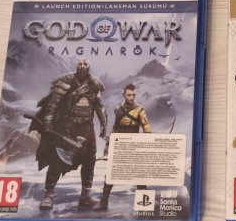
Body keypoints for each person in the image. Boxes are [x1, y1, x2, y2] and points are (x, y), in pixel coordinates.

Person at [30, 58, 107, 210]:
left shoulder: (95, 84)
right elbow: (53, 104)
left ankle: (85, 196)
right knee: (57, 160)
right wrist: (48, 122)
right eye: (80, 64)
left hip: (87, 127)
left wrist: (104, 123)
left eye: (85, 64)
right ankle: (48, 195)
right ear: (77, 66)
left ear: (89, 66)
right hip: (67, 127)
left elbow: (99, 106)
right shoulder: (66, 81)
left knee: (90, 160)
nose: (82, 66)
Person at [95, 83, 151, 211]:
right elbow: (115, 127)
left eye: (133, 95)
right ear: (124, 95)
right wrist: (108, 143)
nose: (131, 97)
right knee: (111, 173)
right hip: (120, 146)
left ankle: (144, 207)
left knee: (140, 176)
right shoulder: (118, 109)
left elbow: (147, 129)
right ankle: (103, 203)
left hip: (135, 147)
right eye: (129, 95)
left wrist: (148, 145)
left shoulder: (140, 110)